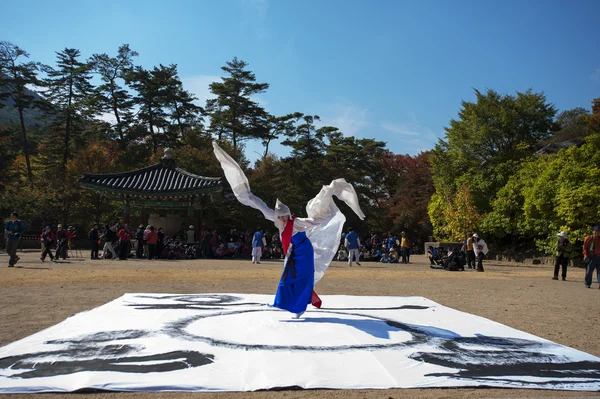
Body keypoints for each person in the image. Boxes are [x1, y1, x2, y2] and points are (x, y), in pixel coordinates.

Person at [214, 142, 365, 318]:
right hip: (293, 253)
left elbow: (313, 222)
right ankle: (282, 303)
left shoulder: (296, 222)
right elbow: (257, 203)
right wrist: (245, 193)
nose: (284, 218)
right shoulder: (277, 221)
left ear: (289, 214)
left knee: (302, 279)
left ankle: (300, 308)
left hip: (304, 250)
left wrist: (325, 213)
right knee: (287, 279)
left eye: (286, 215)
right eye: (281, 215)